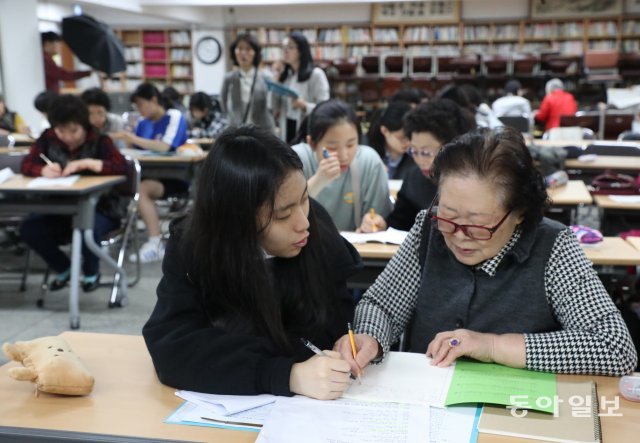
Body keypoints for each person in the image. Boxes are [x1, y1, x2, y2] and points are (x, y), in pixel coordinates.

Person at [336, 127, 637, 377]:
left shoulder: (552, 247)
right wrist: (370, 337)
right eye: (448, 216)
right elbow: (382, 305)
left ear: (519, 212)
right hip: (425, 401)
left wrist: (492, 346)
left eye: (478, 225)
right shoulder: (429, 229)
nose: (458, 236)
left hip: (513, 410)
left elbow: (615, 348)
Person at [143, 126, 362, 398]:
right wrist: (287, 375)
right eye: (282, 216)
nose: (303, 223)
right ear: (237, 221)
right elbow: (174, 348)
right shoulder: (194, 247)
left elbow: (336, 322)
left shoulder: (314, 228)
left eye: (304, 199)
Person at [19, 94, 128, 292]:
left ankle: (91, 272)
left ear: (83, 124)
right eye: (61, 131)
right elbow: (27, 164)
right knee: (29, 228)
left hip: (102, 208)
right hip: (59, 208)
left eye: (74, 130)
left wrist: (90, 163)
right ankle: (64, 268)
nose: (68, 137)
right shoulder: (47, 139)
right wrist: (42, 170)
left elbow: (122, 167)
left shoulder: (100, 141)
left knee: (88, 227)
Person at [360, 99, 474, 233]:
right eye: (414, 151)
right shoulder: (414, 177)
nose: (420, 160)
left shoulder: (474, 182)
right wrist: (382, 224)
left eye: (426, 152)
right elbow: (400, 222)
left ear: (452, 147)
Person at [111, 82, 188, 264]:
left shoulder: (173, 116)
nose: (139, 110)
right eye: (136, 107)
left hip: (176, 177)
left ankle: (155, 242)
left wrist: (132, 138)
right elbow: (136, 150)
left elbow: (166, 146)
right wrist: (127, 138)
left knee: (142, 189)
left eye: (141, 104)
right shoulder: (142, 123)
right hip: (148, 174)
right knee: (122, 183)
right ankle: (118, 230)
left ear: (154, 100)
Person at [291, 100, 390, 231]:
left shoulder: (369, 162)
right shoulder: (295, 160)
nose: (344, 156)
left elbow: (379, 217)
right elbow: (286, 213)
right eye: (332, 147)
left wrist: (374, 223)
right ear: (312, 143)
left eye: (351, 144)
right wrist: (318, 181)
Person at [274, 32, 330, 143]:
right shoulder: (287, 76)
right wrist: (276, 78)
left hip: (306, 128)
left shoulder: (316, 74)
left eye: (290, 47)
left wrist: (304, 106)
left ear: (301, 50)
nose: (285, 51)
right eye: (284, 47)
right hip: (287, 126)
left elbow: (325, 108)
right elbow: (274, 108)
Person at [220, 33, 276, 133]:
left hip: (262, 132)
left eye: (248, 49)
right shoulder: (228, 78)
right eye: (240, 48)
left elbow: (272, 107)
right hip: (237, 132)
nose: (243, 53)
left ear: (255, 52)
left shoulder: (266, 77)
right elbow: (223, 106)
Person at [366, 100, 416, 181]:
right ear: (385, 131)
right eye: (402, 138)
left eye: (411, 137)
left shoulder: (416, 155)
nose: (408, 142)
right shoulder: (369, 153)